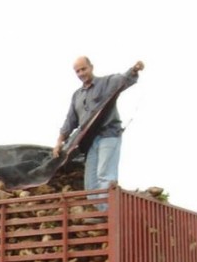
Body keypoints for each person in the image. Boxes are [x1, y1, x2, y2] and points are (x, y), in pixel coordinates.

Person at [52, 57, 145, 209]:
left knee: (105, 174)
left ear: (91, 67)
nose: (81, 73)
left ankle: (109, 212)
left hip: (108, 135)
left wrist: (134, 69)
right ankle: (100, 212)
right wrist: (59, 142)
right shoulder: (77, 95)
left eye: (83, 69)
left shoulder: (106, 83)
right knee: (90, 180)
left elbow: (122, 80)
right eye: (78, 71)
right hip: (89, 141)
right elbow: (70, 120)